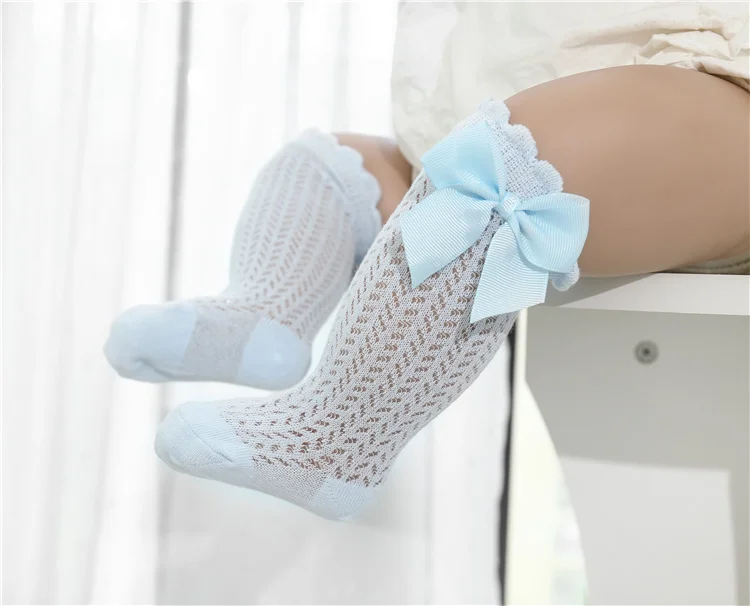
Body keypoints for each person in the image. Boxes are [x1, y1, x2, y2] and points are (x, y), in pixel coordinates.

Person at [105, 2, 748, 520]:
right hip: (492, 106)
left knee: (503, 167)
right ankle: (264, 314)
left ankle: (337, 440)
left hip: (707, 70)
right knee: (327, 168)